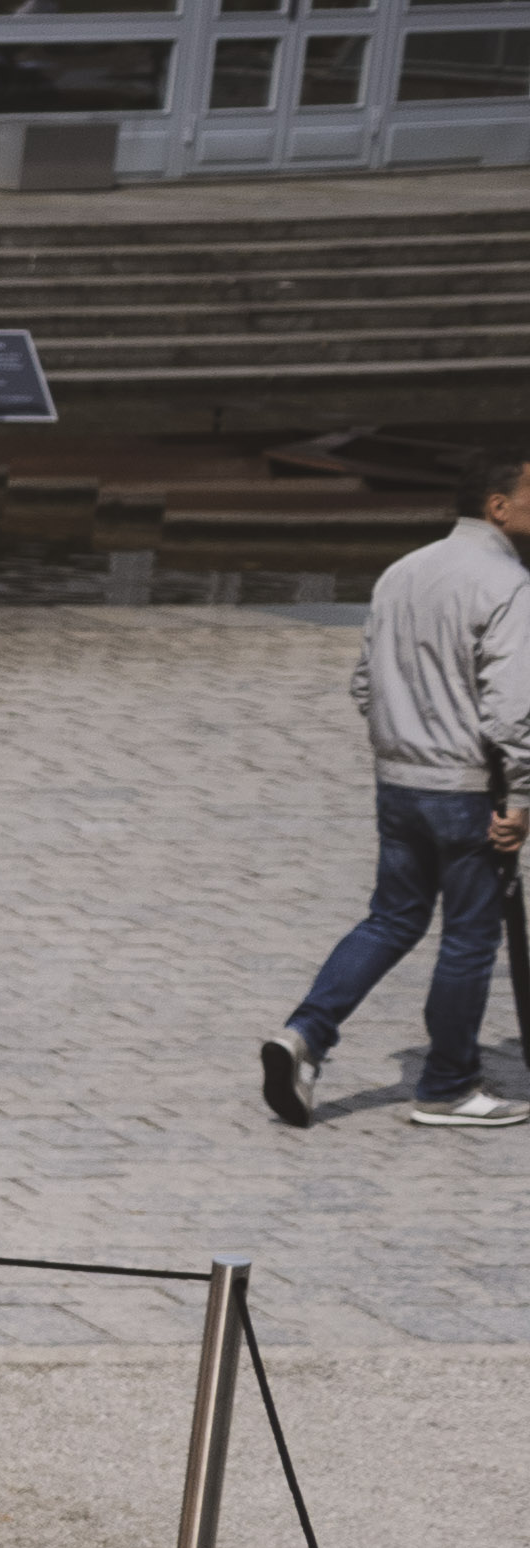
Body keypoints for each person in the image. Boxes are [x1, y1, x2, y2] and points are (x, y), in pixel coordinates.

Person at [265, 442, 530, 1130]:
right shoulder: (509, 585)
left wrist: (406, 741)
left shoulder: (401, 572)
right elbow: (513, 710)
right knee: (469, 938)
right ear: (498, 507)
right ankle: (447, 1087)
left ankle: (305, 1034)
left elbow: (365, 683)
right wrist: (521, 799)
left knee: (391, 918)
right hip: (467, 789)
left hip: (399, 782)